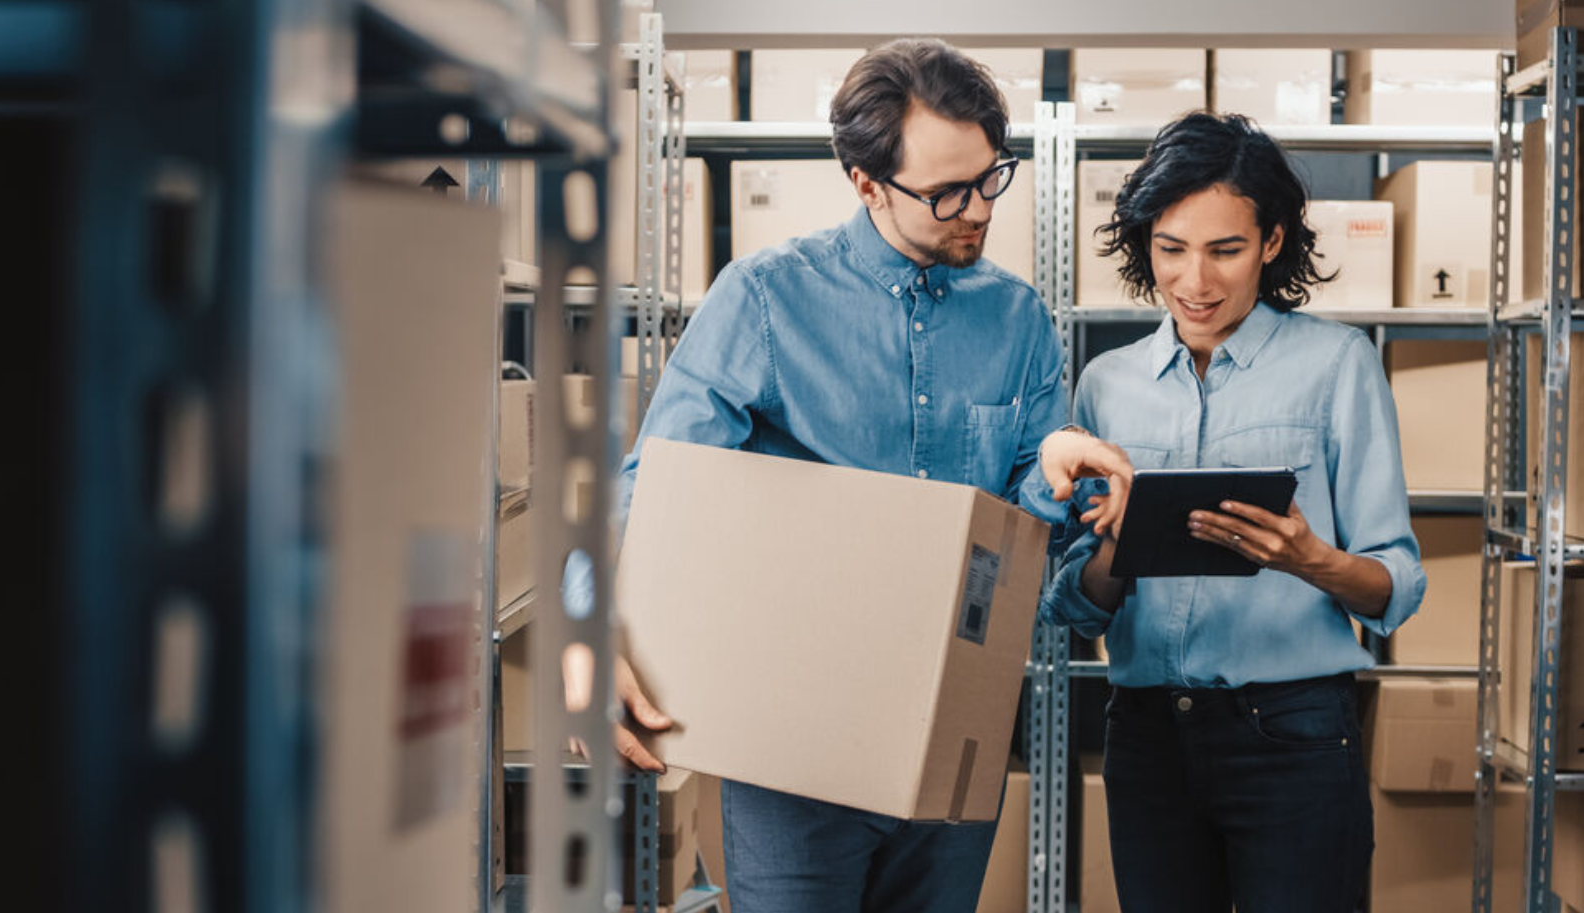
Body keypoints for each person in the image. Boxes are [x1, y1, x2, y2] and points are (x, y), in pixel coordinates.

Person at [590, 38, 1133, 913]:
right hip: (794, 744)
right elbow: (654, 486)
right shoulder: (766, 299)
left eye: (990, 178)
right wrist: (593, 618)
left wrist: (1056, 470)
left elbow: (1026, 523)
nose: (978, 210)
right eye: (945, 193)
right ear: (864, 181)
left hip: (956, 731)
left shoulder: (1020, 320)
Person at [1041, 112, 1427, 913]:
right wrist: (1115, 542)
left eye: (1226, 250)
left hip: (1292, 732)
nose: (1195, 282)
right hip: (1147, 737)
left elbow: (1396, 583)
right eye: (1171, 249)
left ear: (1274, 242)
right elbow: (1077, 608)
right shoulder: (1106, 384)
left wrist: (1307, 558)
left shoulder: (1336, 365)